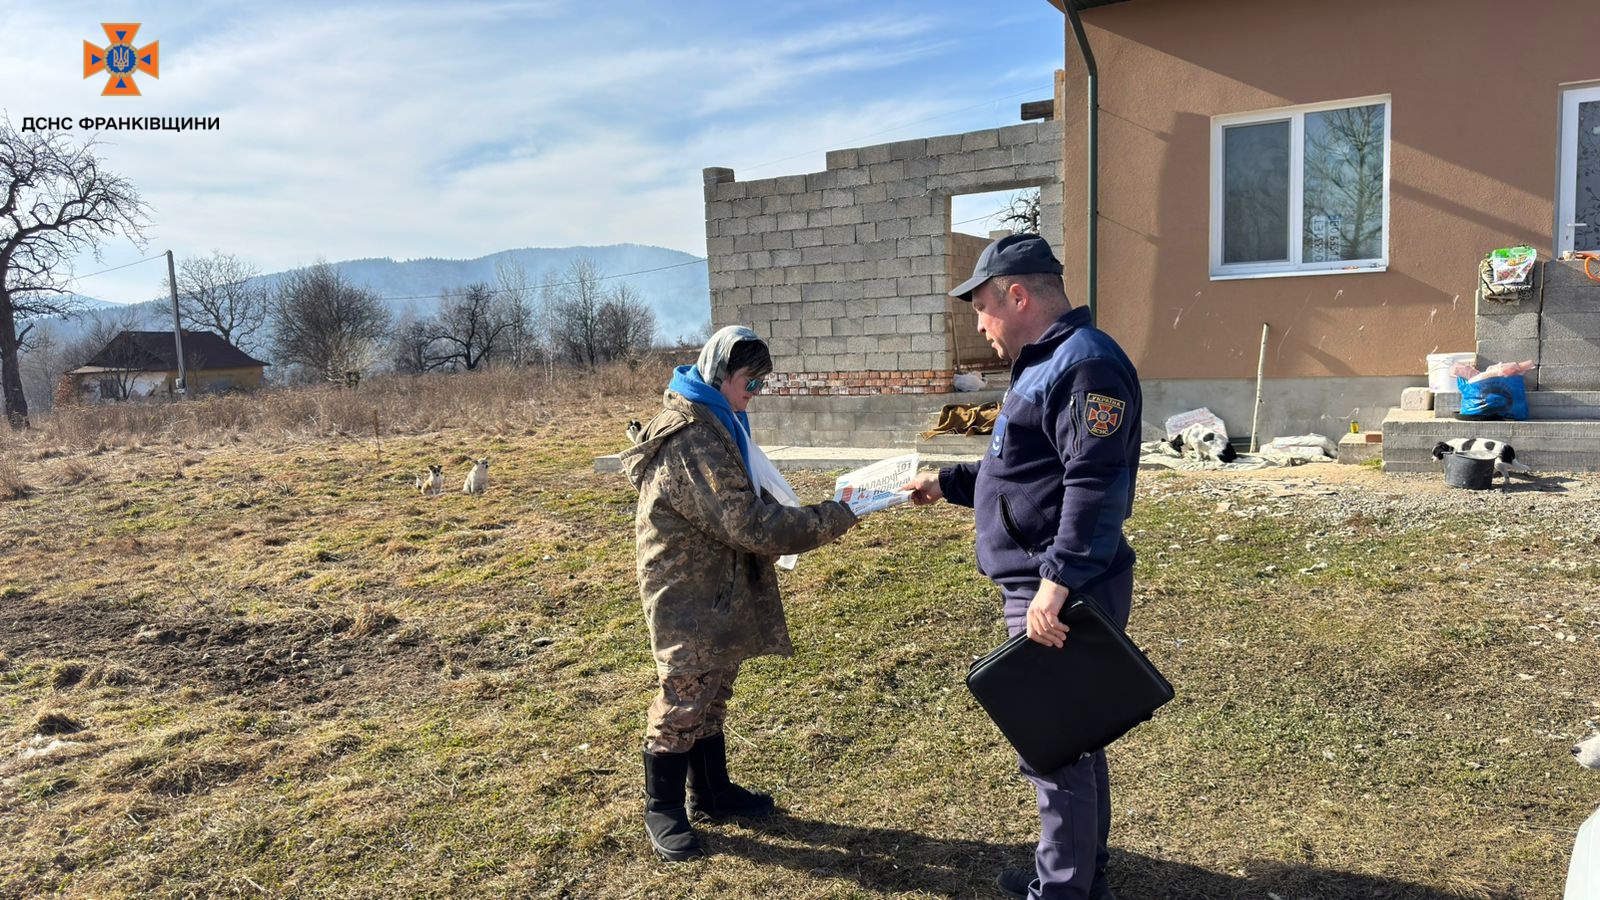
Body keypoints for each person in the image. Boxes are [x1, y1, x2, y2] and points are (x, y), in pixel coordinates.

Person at [902, 234, 1142, 900]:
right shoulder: (1045, 365)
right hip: (1044, 581)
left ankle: (1063, 890)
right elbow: (1024, 469)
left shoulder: (1085, 365)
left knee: (1053, 746)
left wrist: (1055, 585)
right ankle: (1075, 878)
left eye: (982, 307)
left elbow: (1097, 486)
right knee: (1074, 739)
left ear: (1017, 294)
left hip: (1060, 587)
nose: (979, 324)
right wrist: (945, 482)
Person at [619, 325, 859, 862]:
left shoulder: (720, 418)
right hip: (687, 587)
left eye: (762, 383)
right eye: (750, 381)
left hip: (717, 581)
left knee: (715, 685)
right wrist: (836, 516)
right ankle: (662, 808)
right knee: (684, 695)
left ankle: (712, 792)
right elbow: (747, 522)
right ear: (719, 372)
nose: (755, 392)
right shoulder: (692, 436)